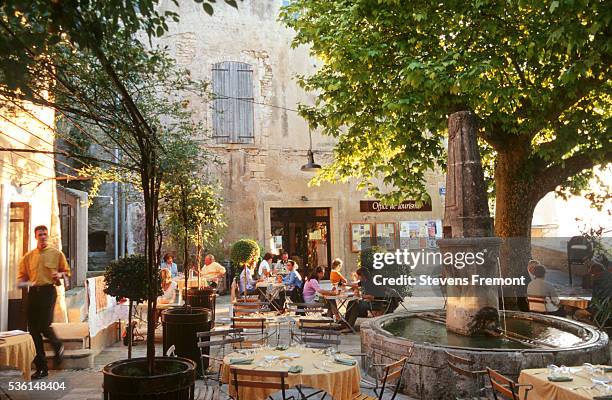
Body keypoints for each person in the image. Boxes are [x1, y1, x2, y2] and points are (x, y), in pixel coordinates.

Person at [17, 225, 68, 379]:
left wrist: (60, 275)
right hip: (33, 294)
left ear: (48, 236)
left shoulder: (56, 254)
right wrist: (27, 284)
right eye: (40, 234)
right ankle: (42, 368)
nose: (43, 237)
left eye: (45, 234)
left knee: (44, 325)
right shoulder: (28, 257)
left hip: (48, 292)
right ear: (35, 237)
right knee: (33, 330)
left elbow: (66, 273)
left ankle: (57, 344)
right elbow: (21, 279)